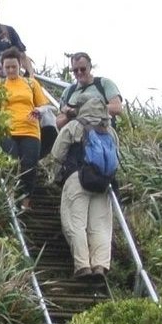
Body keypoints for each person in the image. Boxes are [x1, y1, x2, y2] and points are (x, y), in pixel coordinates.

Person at [55, 52, 125, 278]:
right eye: (75, 70)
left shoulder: (75, 125)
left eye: (82, 69)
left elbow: (57, 153)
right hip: (103, 181)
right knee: (101, 225)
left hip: (77, 177)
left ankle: (83, 265)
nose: (78, 73)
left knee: (75, 222)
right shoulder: (110, 131)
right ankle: (100, 266)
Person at [0, 57, 57, 204]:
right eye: (7, 67)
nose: (11, 70)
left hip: (30, 131)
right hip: (8, 130)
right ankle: (10, 199)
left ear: (19, 66)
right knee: (10, 164)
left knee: (29, 166)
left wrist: (38, 110)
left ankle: (25, 201)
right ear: (3, 68)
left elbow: (45, 105)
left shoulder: (31, 83)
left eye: (14, 67)